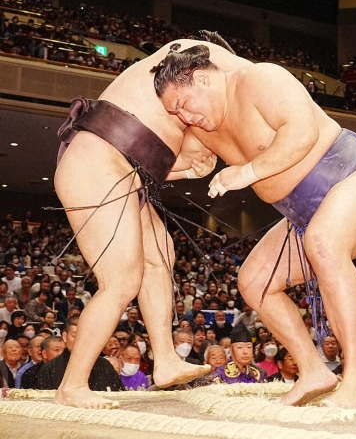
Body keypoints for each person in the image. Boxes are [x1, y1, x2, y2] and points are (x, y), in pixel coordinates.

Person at [154, 40, 356, 408]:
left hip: (352, 179)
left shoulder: (259, 79)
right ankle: (314, 370)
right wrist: (185, 169)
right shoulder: (202, 131)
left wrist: (246, 172)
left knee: (324, 243)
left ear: (201, 79)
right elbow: (167, 165)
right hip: (302, 215)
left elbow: (302, 134)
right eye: (177, 113)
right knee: (254, 282)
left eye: (183, 105)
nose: (186, 117)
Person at [53, 33, 242, 408]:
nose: (191, 115)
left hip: (123, 172)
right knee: (120, 281)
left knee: (160, 256)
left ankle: (167, 360)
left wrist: (190, 171)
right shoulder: (189, 59)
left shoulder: (175, 112)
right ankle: (71, 386)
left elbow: (163, 163)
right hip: (96, 161)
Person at [37, 316, 124, 392]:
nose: (80, 340)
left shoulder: (104, 365)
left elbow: (118, 396)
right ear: (65, 337)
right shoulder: (49, 369)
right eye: (75, 336)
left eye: (86, 335)